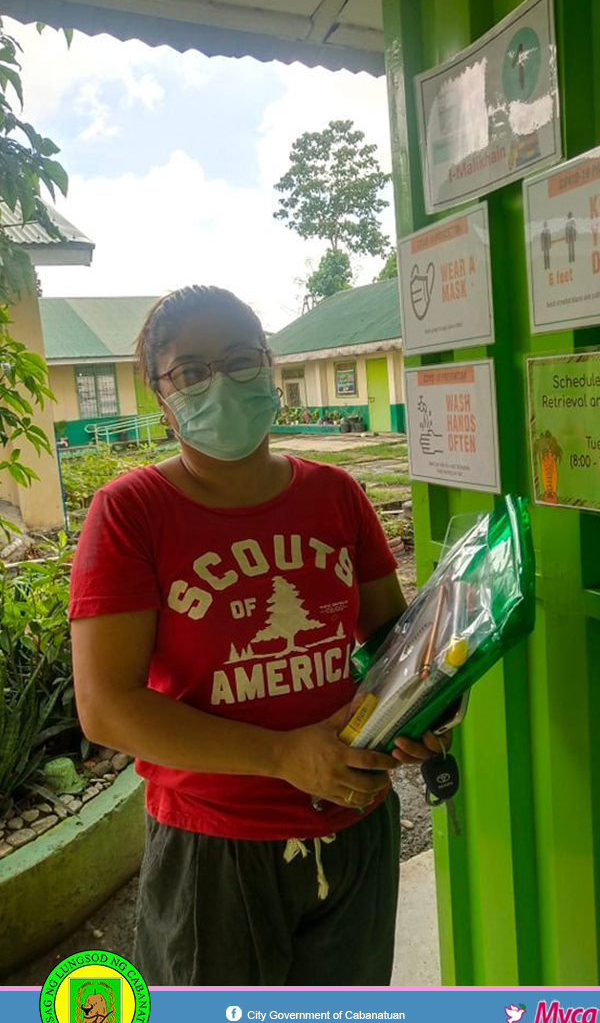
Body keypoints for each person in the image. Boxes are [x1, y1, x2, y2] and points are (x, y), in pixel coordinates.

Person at [69, 285, 445, 987]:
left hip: (356, 819)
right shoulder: (130, 513)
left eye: (241, 359)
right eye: (191, 370)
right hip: (215, 847)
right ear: (161, 393)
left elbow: (395, 642)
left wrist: (425, 703)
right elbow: (107, 705)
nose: (221, 380)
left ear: (268, 368)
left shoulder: (336, 494)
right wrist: (281, 756)